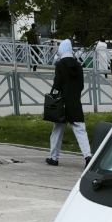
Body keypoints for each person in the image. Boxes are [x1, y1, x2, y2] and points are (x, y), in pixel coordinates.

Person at [46, 38, 90, 167]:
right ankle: (88, 156)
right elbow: (81, 85)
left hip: (62, 103)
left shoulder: (60, 64)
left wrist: (55, 95)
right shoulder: (78, 65)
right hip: (75, 102)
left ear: (61, 50)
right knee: (80, 130)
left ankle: (54, 158)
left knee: (57, 131)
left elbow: (57, 84)